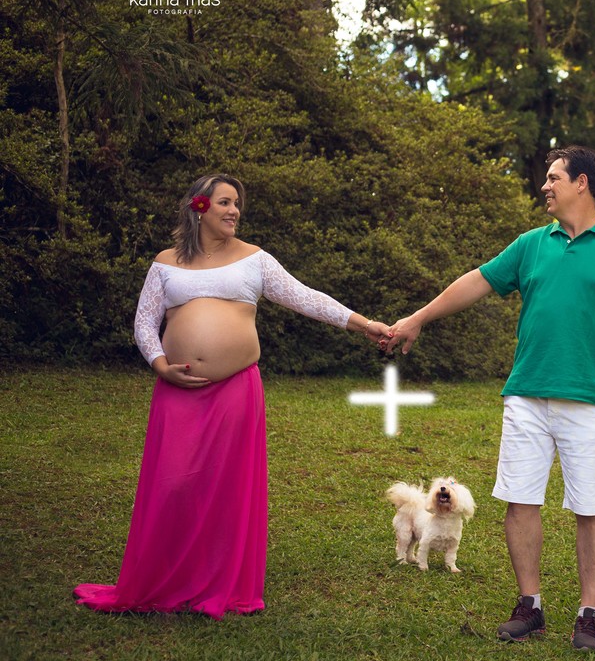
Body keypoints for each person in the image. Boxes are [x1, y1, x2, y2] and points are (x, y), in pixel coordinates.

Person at [383, 146, 595, 651]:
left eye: (554, 178)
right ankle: (529, 605)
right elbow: (477, 281)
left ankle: (589, 613)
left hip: (588, 399)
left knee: (591, 507)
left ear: (582, 183)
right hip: (526, 398)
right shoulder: (533, 243)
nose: (545, 186)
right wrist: (419, 317)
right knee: (521, 501)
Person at [75, 173, 391, 620]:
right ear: (199, 208)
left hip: (235, 390)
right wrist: (160, 364)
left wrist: (365, 325)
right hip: (177, 391)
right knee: (174, 485)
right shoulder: (166, 263)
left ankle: (219, 584)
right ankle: (165, 579)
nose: (233, 211)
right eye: (224, 202)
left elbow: (307, 298)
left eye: (237, 204)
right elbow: (145, 323)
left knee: (225, 488)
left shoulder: (254, 260)